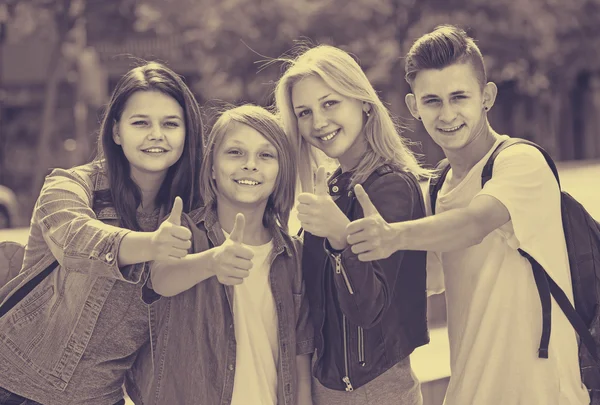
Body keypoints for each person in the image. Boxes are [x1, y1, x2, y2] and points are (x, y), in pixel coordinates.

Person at [345, 25, 590, 405]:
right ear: (413, 107)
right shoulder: (438, 187)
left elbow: (474, 224)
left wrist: (393, 236)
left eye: (459, 97)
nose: (447, 114)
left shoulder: (521, 162)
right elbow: (423, 280)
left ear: (486, 96)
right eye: (432, 101)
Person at [0, 61, 203, 405]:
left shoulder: (195, 215)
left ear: (187, 133)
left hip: (99, 397)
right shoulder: (69, 185)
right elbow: (76, 240)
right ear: (116, 131)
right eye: (141, 122)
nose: (156, 134)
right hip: (14, 384)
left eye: (171, 123)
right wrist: (153, 244)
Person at [125, 104, 314, 405]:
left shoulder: (295, 256)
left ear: (281, 172)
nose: (250, 165)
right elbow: (160, 279)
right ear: (212, 167)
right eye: (235, 153)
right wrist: (211, 262)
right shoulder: (184, 229)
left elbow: (301, 355)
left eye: (266, 155)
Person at [274, 45, 431, 405]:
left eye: (330, 103)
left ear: (363, 102)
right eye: (304, 112)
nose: (318, 122)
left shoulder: (391, 186)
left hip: (371, 390)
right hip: (324, 384)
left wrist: (341, 236)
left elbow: (368, 309)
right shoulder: (332, 186)